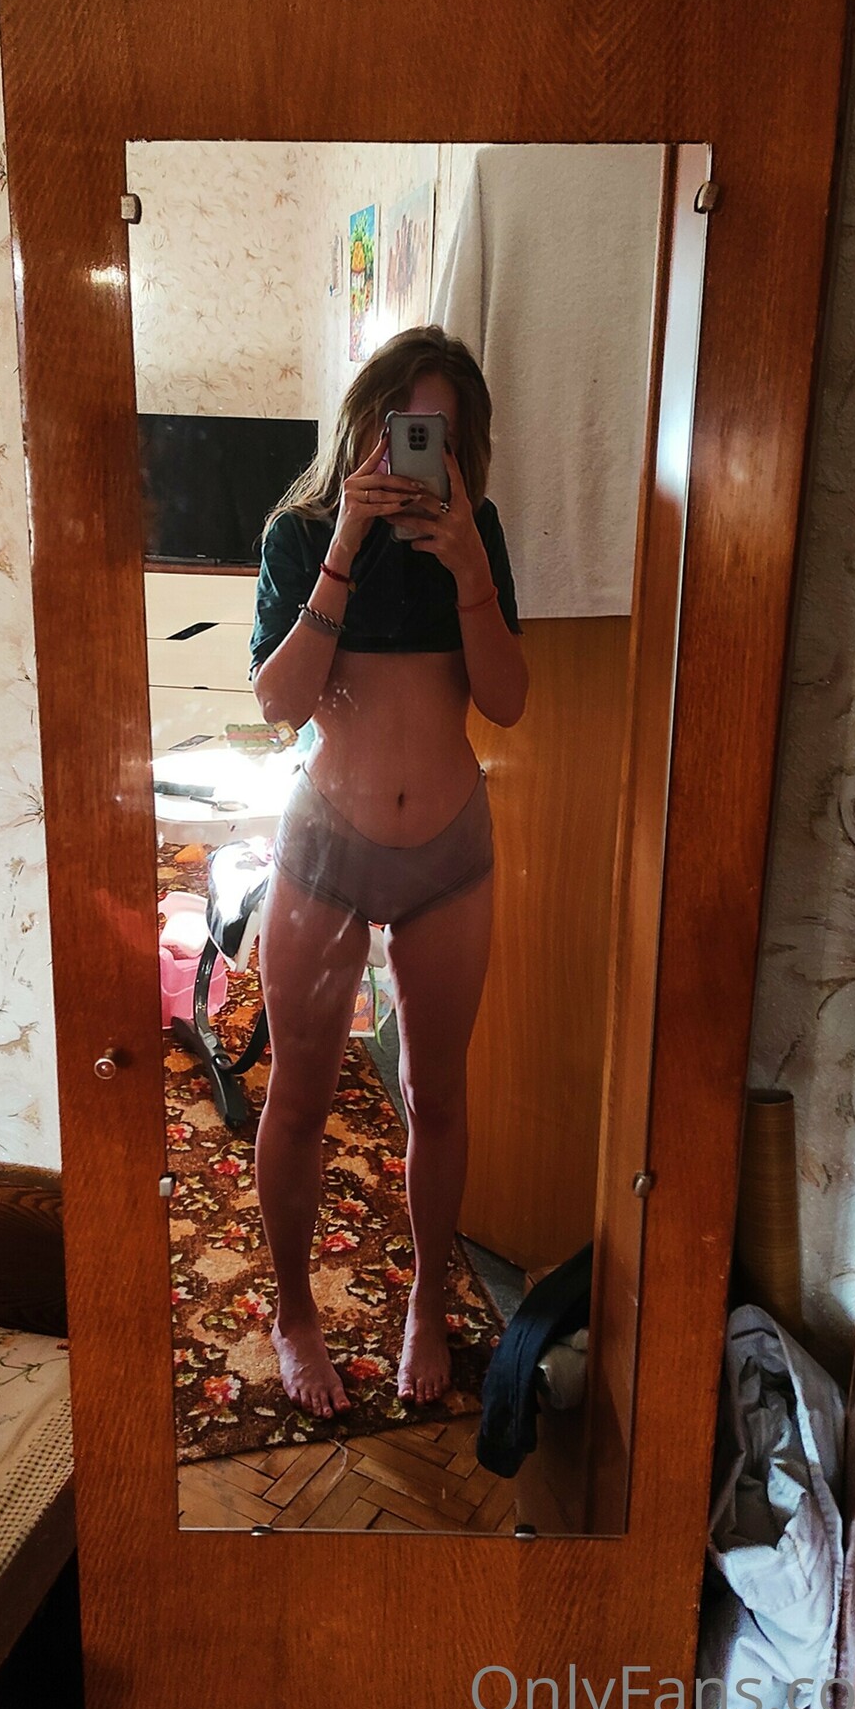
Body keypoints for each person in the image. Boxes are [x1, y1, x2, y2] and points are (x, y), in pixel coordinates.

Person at [248, 326, 528, 1419]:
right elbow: (280, 705)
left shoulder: (477, 533)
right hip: (327, 848)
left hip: (450, 853)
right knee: (300, 1096)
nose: (417, 456)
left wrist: (469, 572)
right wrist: (345, 548)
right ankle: (293, 1312)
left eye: (439, 439)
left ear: (464, 449)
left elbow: (505, 701)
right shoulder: (298, 532)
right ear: (364, 424)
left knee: (436, 1095)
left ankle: (426, 1304)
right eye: (403, 428)